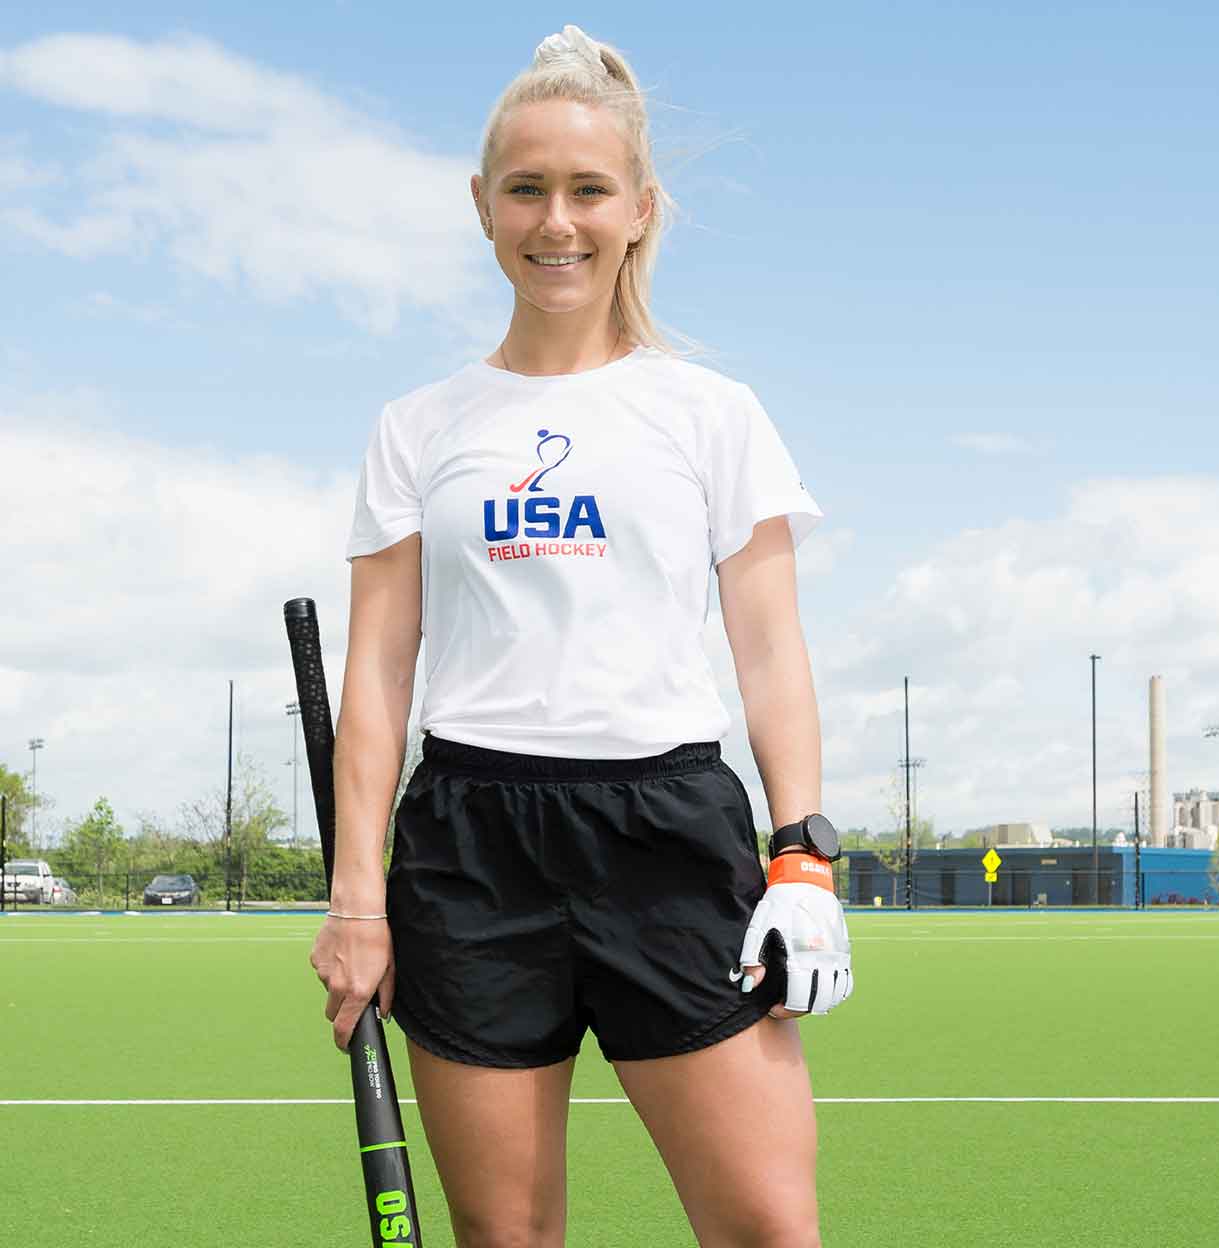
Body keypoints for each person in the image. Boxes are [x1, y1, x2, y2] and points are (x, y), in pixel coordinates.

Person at [310, 24, 853, 1248]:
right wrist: (358, 903)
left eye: (589, 190)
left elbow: (771, 655)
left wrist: (804, 859)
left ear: (641, 209)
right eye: (527, 189)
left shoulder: (711, 414)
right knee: (506, 1238)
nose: (558, 221)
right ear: (483, 206)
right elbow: (378, 679)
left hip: (667, 833)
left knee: (768, 1228)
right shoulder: (418, 425)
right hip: (470, 847)